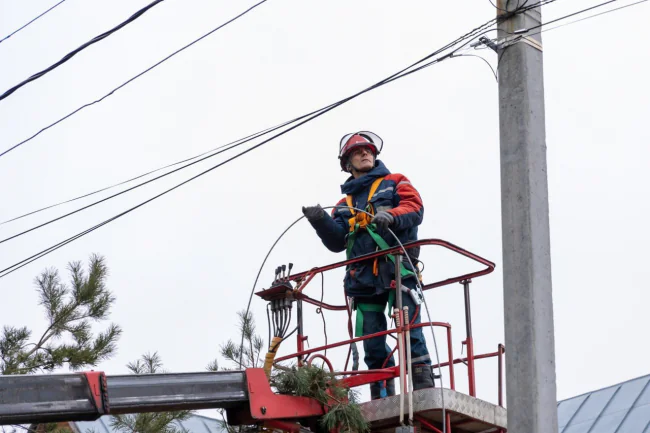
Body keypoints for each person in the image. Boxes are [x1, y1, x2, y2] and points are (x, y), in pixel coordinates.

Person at [302, 131, 435, 400]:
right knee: (372, 341)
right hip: (362, 278)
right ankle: (382, 393)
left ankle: (424, 390)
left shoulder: (395, 182)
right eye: (358, 151)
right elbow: (338, 241)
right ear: (347, 163)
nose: (365, 153)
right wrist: (320, 221)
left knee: (409, 328)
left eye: (369, 151)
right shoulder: (343, 205)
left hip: (397, 269)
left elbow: (414, 207)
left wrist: (391, 216)